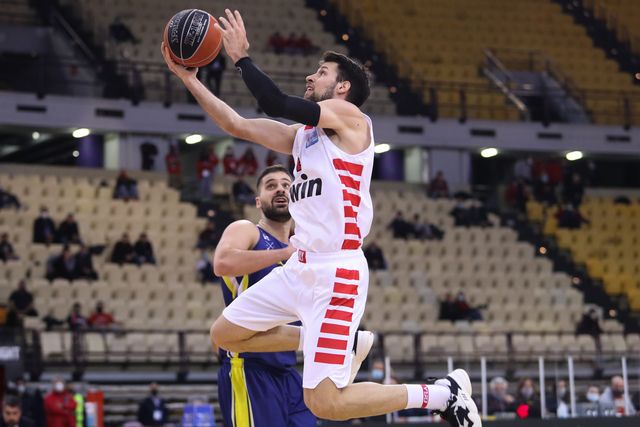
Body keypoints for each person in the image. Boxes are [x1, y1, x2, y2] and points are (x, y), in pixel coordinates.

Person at [162, 9, 480, 425]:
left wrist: (240, 57)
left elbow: (275, 102)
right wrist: (189, 79)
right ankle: (329, 342)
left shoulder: (353, 120)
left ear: (342, 87)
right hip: (300, 267)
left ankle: (441, 395)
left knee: (325, 404)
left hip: (336, 274)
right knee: (224, 335)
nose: (310, 77)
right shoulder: (302, 137)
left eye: (321, 72)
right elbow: (236, 124)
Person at [213, 165, 316, 426]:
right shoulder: (247, 230)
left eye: (286, 185)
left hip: (289, 371)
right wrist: (284, 253)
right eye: (271, 185)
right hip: (249, 367)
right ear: (258, 201)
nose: (280, 189)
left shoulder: (303, 247)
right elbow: (222, 262)